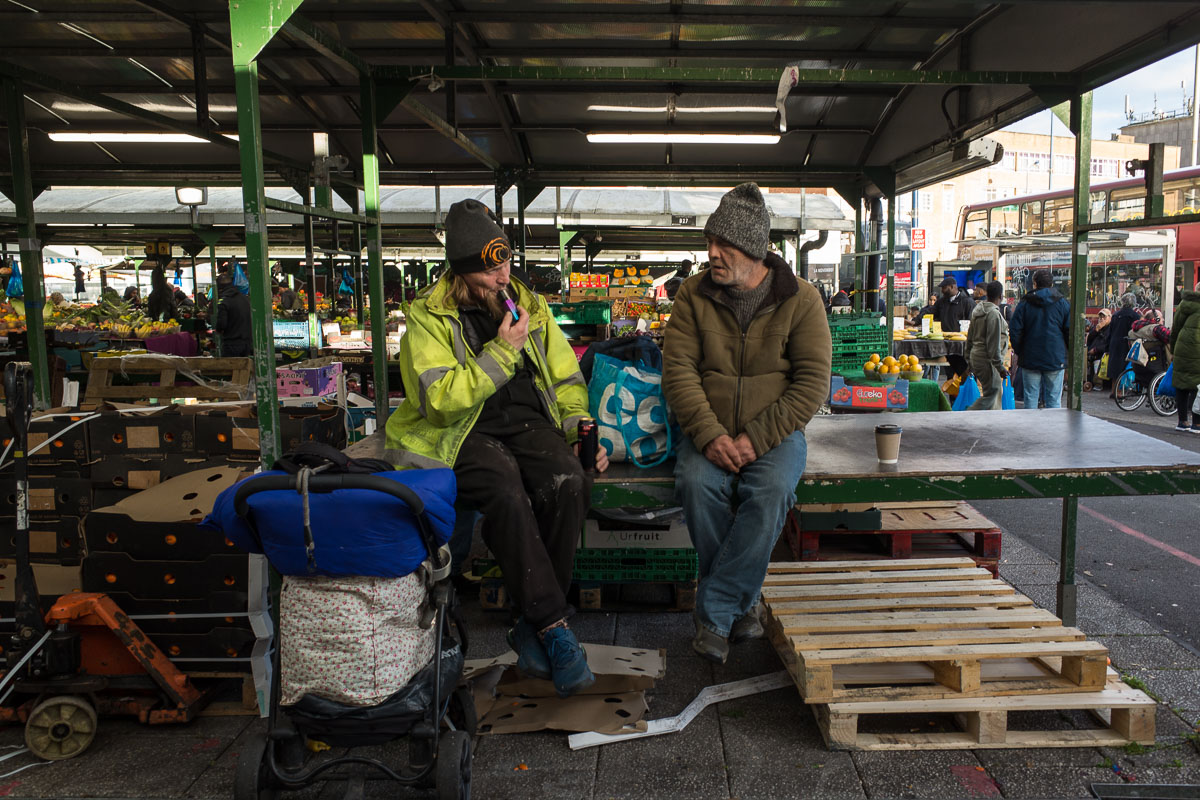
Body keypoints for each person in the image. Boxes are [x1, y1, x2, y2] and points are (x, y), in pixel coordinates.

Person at [385, 198, 608, 698]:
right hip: (464, 430)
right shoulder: (426, 316)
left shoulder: (529, 301)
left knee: (570, 481)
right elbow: (439, 401)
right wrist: (503, 352)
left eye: (506, 262)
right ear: (462, 274)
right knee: (507, 490)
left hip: (528, 421)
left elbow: (566, 377)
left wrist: (578, 427)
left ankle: (528, 625)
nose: (503, 277)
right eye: (489, 271)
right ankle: (552, 626)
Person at [662, 182, 831, 664]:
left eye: (724, 246)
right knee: (695, 483)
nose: (712, 253)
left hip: (775, 432)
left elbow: (811, 383)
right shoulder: (693, 295)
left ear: (755, 250)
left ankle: (714, 609)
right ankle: (743, 604)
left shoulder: (801, 300)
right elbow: (677, 371)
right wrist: (710, 434)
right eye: (710, 242)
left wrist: (755, 439)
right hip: (706, 428)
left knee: (771, 491)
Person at [1009, 269, 1070, 409]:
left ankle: (1030, 429)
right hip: (1055, 357)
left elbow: (1015, 329)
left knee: (1030, 397)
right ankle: (1052, 430)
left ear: (1034, 283)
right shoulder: (1062, 303)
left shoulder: (1024, 303)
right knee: (1054, 400)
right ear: (1051, 284)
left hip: (1030, 357)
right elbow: (1069, 331)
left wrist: (1020, 350)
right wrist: (1065, 352)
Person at [964, 280, 1009, 410]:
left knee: (993, 393)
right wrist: (1000, 367)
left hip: (976, 356)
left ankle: (990, 421)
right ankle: (969, 414)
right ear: (1001, 296)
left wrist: (969, 359)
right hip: (987, 360)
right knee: (992, 394)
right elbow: (993, 344)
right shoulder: (993, 314)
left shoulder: (978, 310)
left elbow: (970, 337)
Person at [1169, 281, 1200, 432]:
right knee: (1197, 386)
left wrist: (1173, 350)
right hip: (1198, 351)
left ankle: (1182, 422)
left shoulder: (1185, 304)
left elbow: (1175, 328)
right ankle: (1197, 423)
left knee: (1182, 385)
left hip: (1182, 349)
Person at [1107, 293, 1140, 398]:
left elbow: (1110, 331)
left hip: (1114, 342)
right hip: (1126, 343)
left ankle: (1114, 390)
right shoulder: (1134, 316)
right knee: (1123, 367)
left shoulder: (1116, 315)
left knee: (1114, 368)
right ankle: (1120, 392)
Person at [214, 272, 252, 357]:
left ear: (219, 288)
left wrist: (218, 330)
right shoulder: (245, 299)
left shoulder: (224, 301)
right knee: (243, 368)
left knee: (230, 368)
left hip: (231, 343)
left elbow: (222, 324)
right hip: (247, 342)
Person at [1086, 308, 1113, 390]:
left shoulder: (1110, 329)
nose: (1101, 319)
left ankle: (1098, 384)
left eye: (1104, 317)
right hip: (1092, 352)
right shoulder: (1096, 328)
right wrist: (1096, 330)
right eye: (1100, 317)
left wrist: (1096, 350)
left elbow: (1107, 344)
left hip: (1102, 354)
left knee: (1098, 363)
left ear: (1109, 318)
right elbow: (1089, 340)